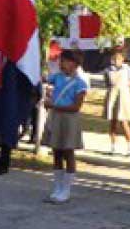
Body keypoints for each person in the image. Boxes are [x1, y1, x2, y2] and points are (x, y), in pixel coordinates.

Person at [42, 50, 89, 204]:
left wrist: (54, 105)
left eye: (66, 61)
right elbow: (45, 82)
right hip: (56, 117)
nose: (62, 64)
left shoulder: (80, 84)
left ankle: (66, 190)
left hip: (69, 119)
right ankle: (57, 187)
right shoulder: (57, 77)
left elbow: (76, 107)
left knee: (68, 152)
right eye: (61, 61)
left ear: (75, 64)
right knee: (56, 151)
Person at [102, 49, 130, 157]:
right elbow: (107, 83)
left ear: (123, 59)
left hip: (124, 96)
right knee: (113, 122)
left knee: (124, 122)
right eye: (114, 59)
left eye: (118, 59)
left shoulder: (128, 70)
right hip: (112, 96)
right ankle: (113, 146)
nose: (116, 61)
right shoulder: (107, 70)